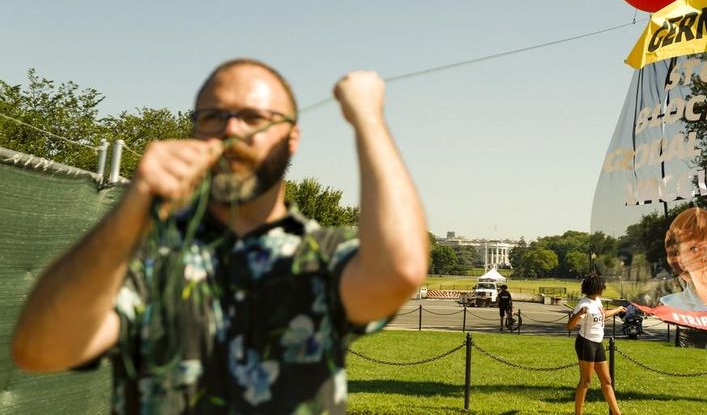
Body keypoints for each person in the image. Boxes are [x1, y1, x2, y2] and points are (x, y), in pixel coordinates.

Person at [10, 59, 429, 414]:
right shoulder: (143, 253)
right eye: (213, 117)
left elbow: (398, 268)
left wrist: (367, 118)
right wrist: (132, 209)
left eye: (253, 117)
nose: (231, 131)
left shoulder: (323, 254)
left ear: (292, 138)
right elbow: (41, 350)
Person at [566, 272, 626, 415]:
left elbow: (602, 315)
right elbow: (570, 326)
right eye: (602, 286)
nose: (603, 288)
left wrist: (618, 309)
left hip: (597, 343)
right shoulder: (584, 304)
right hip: (585, 343)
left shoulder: (597, 301)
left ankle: (617, 413)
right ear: (596, 288)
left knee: (607, 380)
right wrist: (578, 314)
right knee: (586, 381)